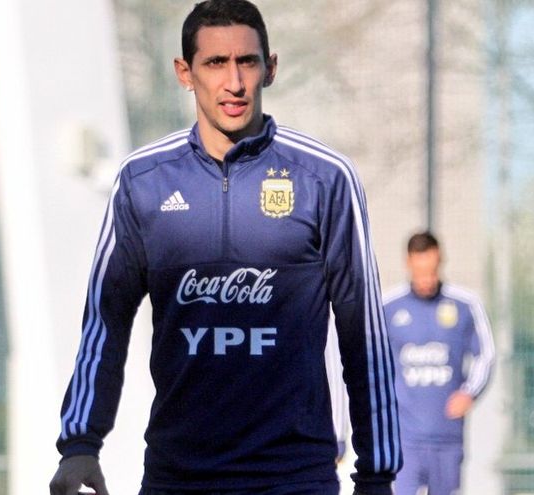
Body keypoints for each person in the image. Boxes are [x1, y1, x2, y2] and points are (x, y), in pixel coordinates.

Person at [48, 1, 401, 494]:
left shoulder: (325, 178)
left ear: (270, 69)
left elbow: (363, 332)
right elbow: (106, 320)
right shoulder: (142, 181)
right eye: (215, 63)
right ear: (185, 73)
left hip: (294, 479)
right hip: (178, 479)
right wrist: (80, 444)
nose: (234, 82)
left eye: (247, 62)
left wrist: (377, 474)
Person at [383, 232, 494, 495]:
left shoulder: (465, 304)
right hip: (404, 437)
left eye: (432, 271)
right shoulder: (388, 306)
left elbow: (486, 354)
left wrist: (469, 392)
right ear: (408, 263)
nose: (427, 279)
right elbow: (371, 362)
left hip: (447, 436)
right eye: (420, 271)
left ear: (440, 261)